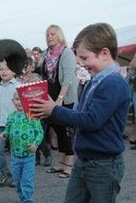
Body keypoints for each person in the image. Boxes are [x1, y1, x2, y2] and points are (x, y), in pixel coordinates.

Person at [30, 22, 131, 203]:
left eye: (84, 58)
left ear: (105, 53)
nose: (81, 64)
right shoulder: (96, 80)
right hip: (84, 160)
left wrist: (54, 109)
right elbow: (81, 114)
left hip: (103, 165)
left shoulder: (113, 83)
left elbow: (91, 120)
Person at [40, 24, 78, 179]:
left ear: (59, 35)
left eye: (53, 34)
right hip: (50, 96)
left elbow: (68, 77)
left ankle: (69, 165)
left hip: (64, 96)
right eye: (47, 34)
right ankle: (61, 162)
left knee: (66, 131)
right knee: (57, 129)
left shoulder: (67, 52)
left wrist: (60, 99)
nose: (49, 37)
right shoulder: (45, 54)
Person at [0, 91, 43, 203]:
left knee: (27, 181)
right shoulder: (11, 117)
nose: (19, 102)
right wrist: (4, 134)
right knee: (17, 181)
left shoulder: (31, 115)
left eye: (22, 99)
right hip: (15, 156)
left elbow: (40, 132)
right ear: (13, 101)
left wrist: (35, 144)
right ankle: (22, 199)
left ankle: (28, 200)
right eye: (17, 99)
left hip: (29, 156)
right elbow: (7, 129)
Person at [0, 60, 20, 187]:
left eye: (6, 69)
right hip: (0, 125)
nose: (3, 72)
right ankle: (5, 172)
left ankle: (16, 175)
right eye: (1, 69)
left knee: (14, 151)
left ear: (14, 71)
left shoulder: (18, 86)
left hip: (15, 125)